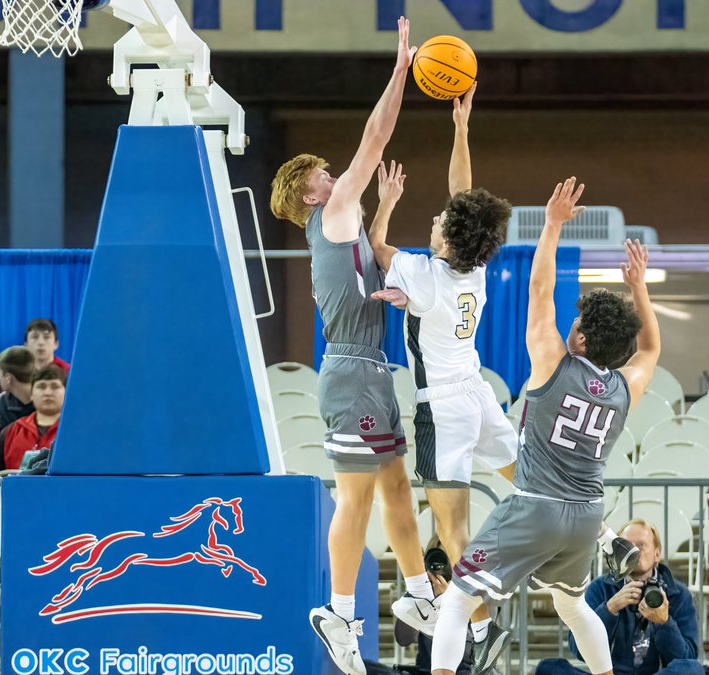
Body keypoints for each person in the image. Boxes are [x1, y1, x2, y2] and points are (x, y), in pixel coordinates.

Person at [368, 91, 640, 657]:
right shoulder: (476, 268)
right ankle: (609, 537)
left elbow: (374, 244)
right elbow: (464, 198)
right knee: (531, 478)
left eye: (440, 220)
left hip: (441, 406)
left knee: (455, 532)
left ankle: (480, 625)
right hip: (480, 394)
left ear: (447, 239)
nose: (437, 216)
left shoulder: (421, 272)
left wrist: (387, 201)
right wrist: (461, 128)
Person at [431, 177, 661, 675]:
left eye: (576, 322)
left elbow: (540, 289)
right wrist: (639, 289)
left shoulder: (553, 363)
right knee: (572, 606)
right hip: (585, 517)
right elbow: (651, 350)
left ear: (579, 336)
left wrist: (553, 225)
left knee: (455, 600)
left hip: (535, 507)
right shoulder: (626, 389)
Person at [269, 17, 431, 675]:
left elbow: (369, 265)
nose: (339, 174)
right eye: (328, 173)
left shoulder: (344, 228)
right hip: (351, 374)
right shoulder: (329, 214)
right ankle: (339, 609)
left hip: (370, 369)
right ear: (312, 189)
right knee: (356, 496)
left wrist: (387, 206)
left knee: (396, 488)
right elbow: (376, 135)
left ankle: (418, 594)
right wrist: (399, 70)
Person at [536, 519, 701, 675]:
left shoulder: (678, 594)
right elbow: (579, 651)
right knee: (549, 668)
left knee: (692, 669)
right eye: (627, 546)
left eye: (641, 545)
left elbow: (686, 658)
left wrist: (664, 623)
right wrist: (609, 609)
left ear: (657, 554)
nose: (634, 551)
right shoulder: (600, 588)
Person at [0, 366, 65, 473]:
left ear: (66, 393)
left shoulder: (72, 434)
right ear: (31, 394)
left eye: (55, 386)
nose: (48, 393)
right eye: (41, 386)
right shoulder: (10, 431)